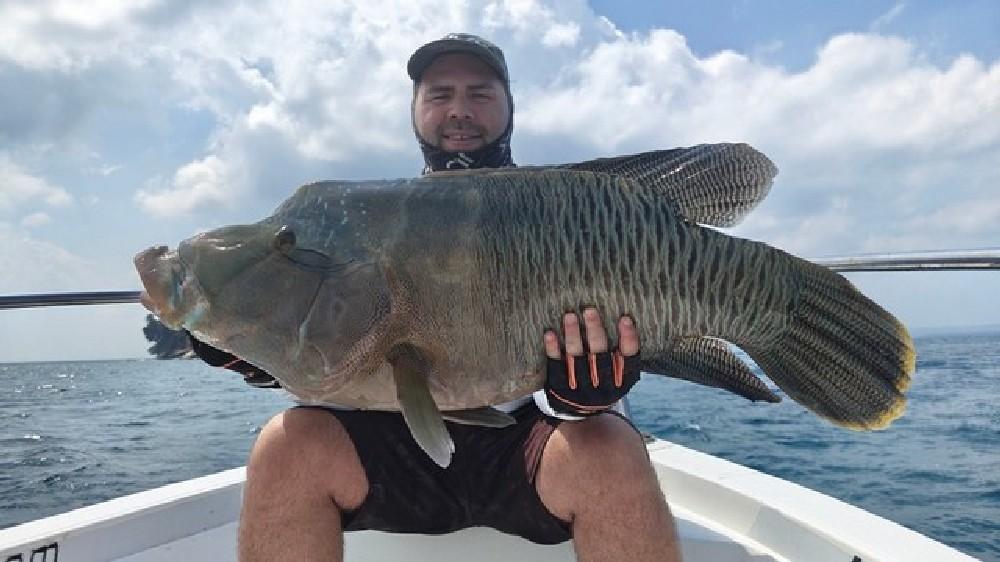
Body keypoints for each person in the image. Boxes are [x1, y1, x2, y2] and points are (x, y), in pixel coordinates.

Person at [201, 33, 681, 562]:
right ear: (414, 111)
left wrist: (580, 397)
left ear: (509, 107)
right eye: (439, 94)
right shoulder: (363, 224)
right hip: (393, 446)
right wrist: (247, 344)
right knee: (285, 447)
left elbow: (594, 380)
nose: (459, 110)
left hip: (529, 447)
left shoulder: (571, 214)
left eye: (479, 93)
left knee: (612, 448)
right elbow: (330, 350)